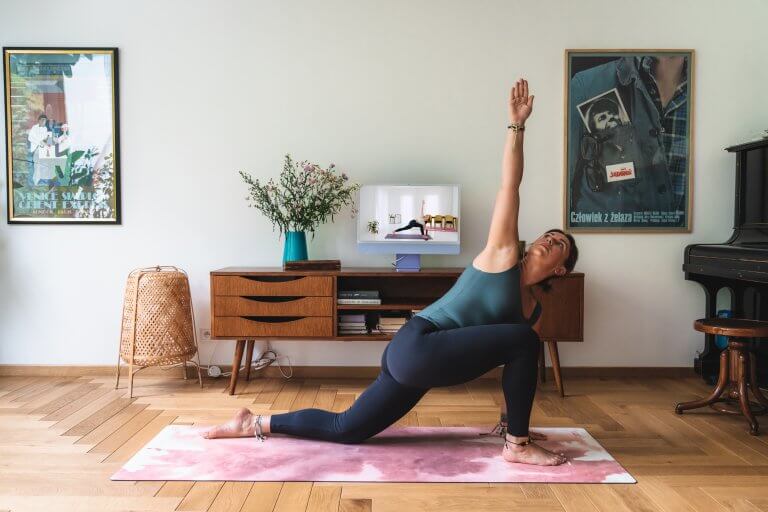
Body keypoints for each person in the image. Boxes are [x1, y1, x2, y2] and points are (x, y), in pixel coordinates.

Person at [205, 79, 579, 466]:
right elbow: (509, 186)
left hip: (419, 357)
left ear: (561, 269)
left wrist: (511, 418)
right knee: (524, 341)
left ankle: (253, 422)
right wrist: (517, 126)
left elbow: (513, 368)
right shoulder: (503, 254)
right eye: (547, 235)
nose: (548, 241)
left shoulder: (532, 311)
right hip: (420, 345)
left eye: (559, 244)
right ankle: (517, 446)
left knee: (347, 428)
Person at [568, 55, 689, 220]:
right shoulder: (588, 85)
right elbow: (558, 185)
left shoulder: (711, 90)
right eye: (603, 118)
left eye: (611, 115)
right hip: (605, 233)